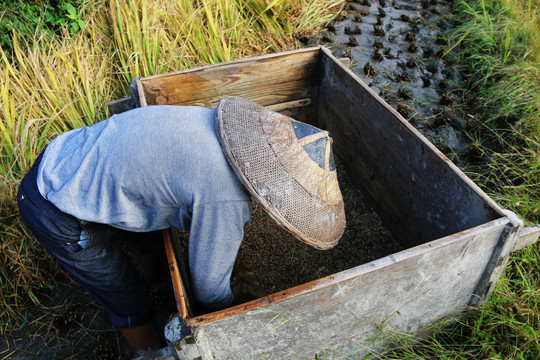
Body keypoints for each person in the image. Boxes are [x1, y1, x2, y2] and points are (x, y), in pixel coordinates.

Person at [17, 96, 346, 353]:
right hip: (55, 202)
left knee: (150, 239)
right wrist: (231, 301)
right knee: (129, 299)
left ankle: (158, 282)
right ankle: (149, 352)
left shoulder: (216, 124)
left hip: (70, 152)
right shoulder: (225, 199)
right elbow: (207, 289)